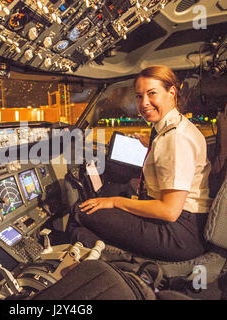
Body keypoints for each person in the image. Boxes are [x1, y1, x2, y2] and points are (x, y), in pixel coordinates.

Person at [67, 65, 213, 262]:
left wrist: (115, 202)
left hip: (179, 233)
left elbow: (169, 211)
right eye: (139, 96)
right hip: (185, 224)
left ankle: (122, 264)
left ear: (172, 92)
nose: (144, 103)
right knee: (108, 197)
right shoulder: (172, 129)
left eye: (152, 93)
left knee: (81, 213)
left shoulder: (175, 139)